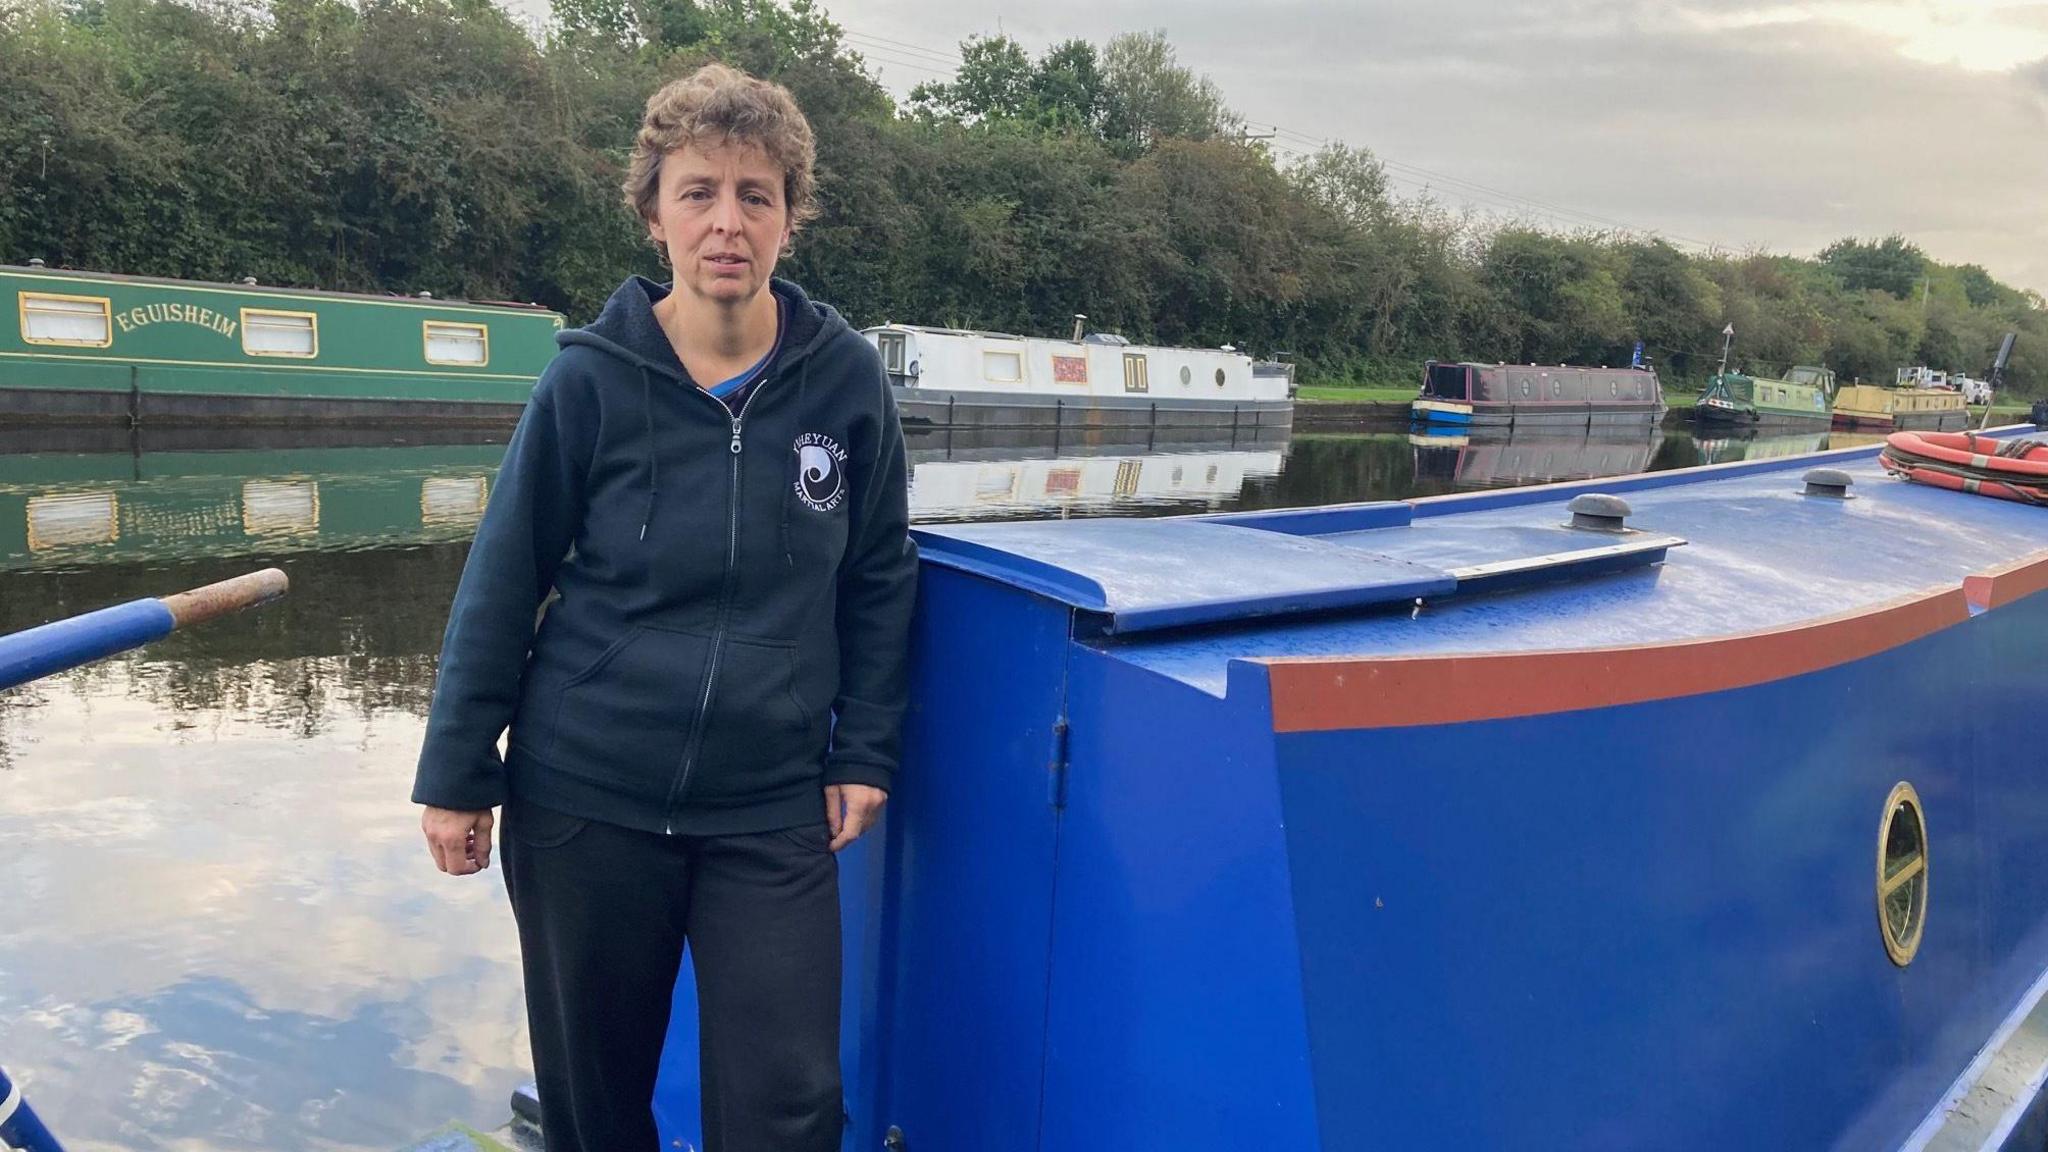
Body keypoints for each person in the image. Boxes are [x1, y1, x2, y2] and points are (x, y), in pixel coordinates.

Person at [410, 62, 917, 1152]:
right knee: (596, 1112)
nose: (725, 223)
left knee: (790, 1108)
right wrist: (457, 773)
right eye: (697, 193)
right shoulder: (586, 381)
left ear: (790, 218)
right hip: (584, 798)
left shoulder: (846, 386)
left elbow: (878, 578)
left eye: (755, 194)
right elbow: (503, 578)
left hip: (768, 805)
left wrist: (864, 752)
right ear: (653, 212)